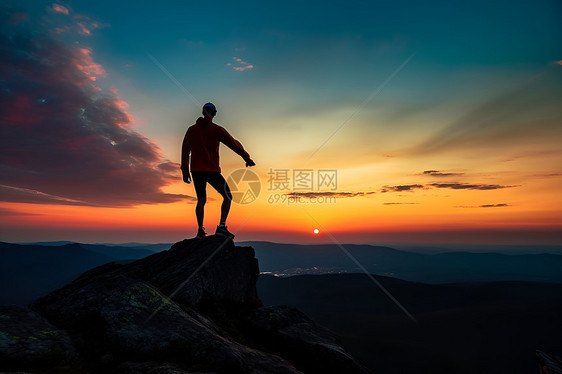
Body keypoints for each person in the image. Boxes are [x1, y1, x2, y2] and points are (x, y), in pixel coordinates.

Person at [181, 102, 255, 238]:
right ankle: (221, 227)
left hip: (196, 170)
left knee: (201, 199)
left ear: (203, 112)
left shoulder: (191, 130)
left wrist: (185, 171)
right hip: (211, 170)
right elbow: (233, 143)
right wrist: (247, 158)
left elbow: (185, 152)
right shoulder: (216, 129)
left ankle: (200, 230)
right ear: (214, 114)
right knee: (228, 196)